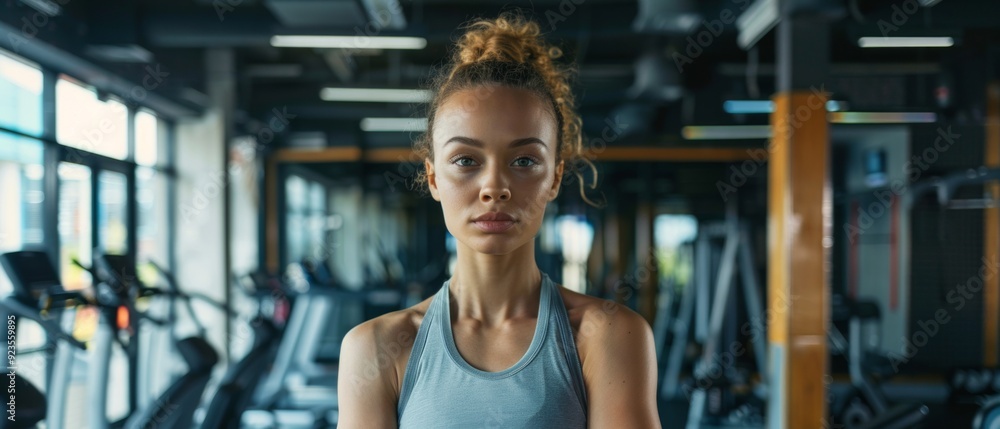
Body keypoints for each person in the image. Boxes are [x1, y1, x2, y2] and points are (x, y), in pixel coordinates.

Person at [337, 12, 660, 428]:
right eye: (466, 160)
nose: (494, 187)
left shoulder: (608, 336)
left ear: (554, 178)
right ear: (433, 177)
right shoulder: (376, 347)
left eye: (524, 160)